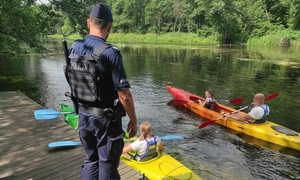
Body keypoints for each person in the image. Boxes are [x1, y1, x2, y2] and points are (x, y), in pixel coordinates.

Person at [64, 3, 137, 180]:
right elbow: (124, 95)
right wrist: (133, 121)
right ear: (110, 26)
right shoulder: (110, 53)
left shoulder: (73, 48)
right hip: (106, 121)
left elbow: (68, 75)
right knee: (107, 164)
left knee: (91, 159)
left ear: (89, 22)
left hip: (83, 117)